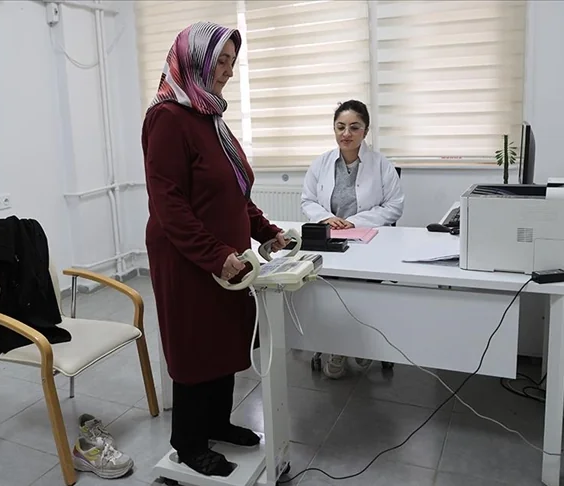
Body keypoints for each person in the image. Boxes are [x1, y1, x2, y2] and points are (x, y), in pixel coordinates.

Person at [142, 21, 289, 478]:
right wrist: (213, 255)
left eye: (231, 62)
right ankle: (188, 442)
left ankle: (216, 423)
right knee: (195, 346)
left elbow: (235, 194)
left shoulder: (209, 117)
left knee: (225, 339)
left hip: (225, 257)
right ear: (194, 61)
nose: (227, 71)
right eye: (219, 61)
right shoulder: (168, 118)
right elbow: (168, 203)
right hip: (187, 258)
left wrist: (267, 232)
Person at [301, 100, 405, 379]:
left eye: (354, 127)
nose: (346, 133)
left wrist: (355, 222)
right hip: (331, 241)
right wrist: (326, 218)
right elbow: (308, 200)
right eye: (340, 127)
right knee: (331, 291)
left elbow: (394, 206)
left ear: (365, 131)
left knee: (361, 290)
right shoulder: (321, 163)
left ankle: (363, 343)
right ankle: (337, 347)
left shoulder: (381, 165)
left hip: (369, 242)